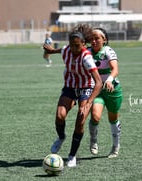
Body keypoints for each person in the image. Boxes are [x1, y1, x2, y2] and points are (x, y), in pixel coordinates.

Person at [43, 24, 102, 167]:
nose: (74, 49)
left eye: (77, 46)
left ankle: (72, 156)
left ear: (83, 44)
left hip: (85, 87)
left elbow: (98, 83)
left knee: (80, 120)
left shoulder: (86, 58)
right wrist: (51, 51)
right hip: (70, 86)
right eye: (71, 45)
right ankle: (61, 137)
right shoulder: (66, 50)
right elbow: (60, 50)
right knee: (59, 115)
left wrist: (88, 103)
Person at [88, 28, 123, 158]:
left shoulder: (108, 51)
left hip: (112, 89)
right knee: (95, 116)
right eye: (91, 38)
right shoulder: (87, 52)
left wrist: (109, 80)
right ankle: (93, 139)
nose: (94, 41)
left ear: (104, 40)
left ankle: (115, 146)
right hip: (97, 90)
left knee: (113, 119)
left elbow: (115, 69)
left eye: (97, 38)